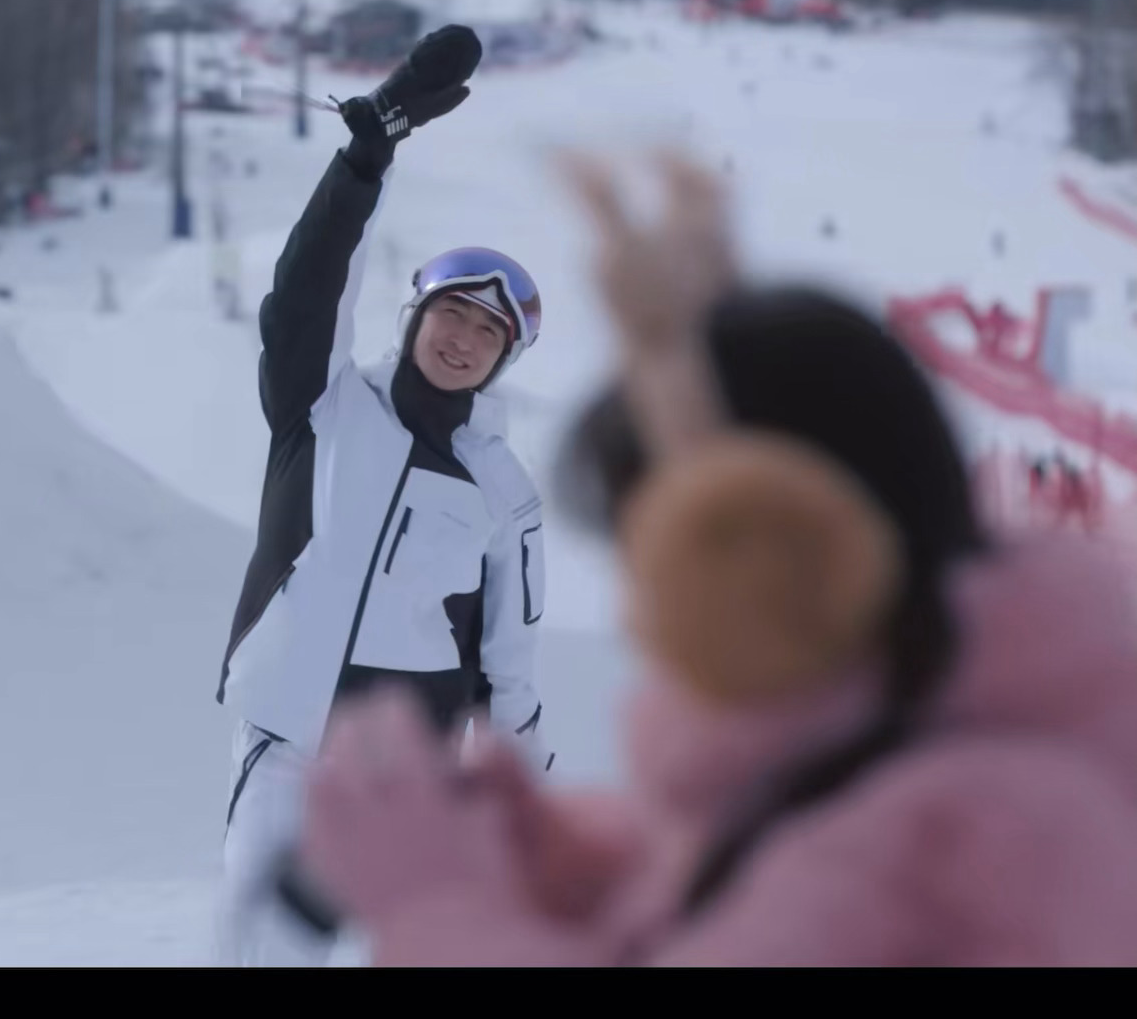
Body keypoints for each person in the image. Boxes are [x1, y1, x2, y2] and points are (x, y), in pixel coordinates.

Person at [294, 148, 1137, 967]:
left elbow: (819, 893)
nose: (643, 613)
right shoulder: (928, 729)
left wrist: (433, 909)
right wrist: (592, 869)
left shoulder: (979, 841)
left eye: (662, 559)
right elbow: (774, 888)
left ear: (772, 545)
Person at [213, 24, 552, 966]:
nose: (462, 339)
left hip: (413, 783)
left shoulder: (502, 491)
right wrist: (370, 155)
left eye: (489, 333)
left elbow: (509, 660)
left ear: (501, 360)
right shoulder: (324, 406)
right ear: (416, 318)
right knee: (265, 952)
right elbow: (308, 291)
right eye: (451, 312)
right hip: (286, 743)